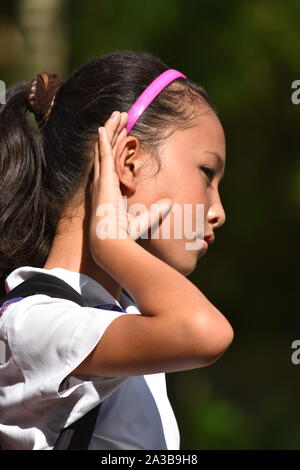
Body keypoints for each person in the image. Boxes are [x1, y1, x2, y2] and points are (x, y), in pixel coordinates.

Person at [0, 50, 234, 450]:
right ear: (128, 162)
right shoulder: (29, 326)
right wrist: (111, 242)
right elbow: (204, 333)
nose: (219, 212)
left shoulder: (124, 320)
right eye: (206, 174)